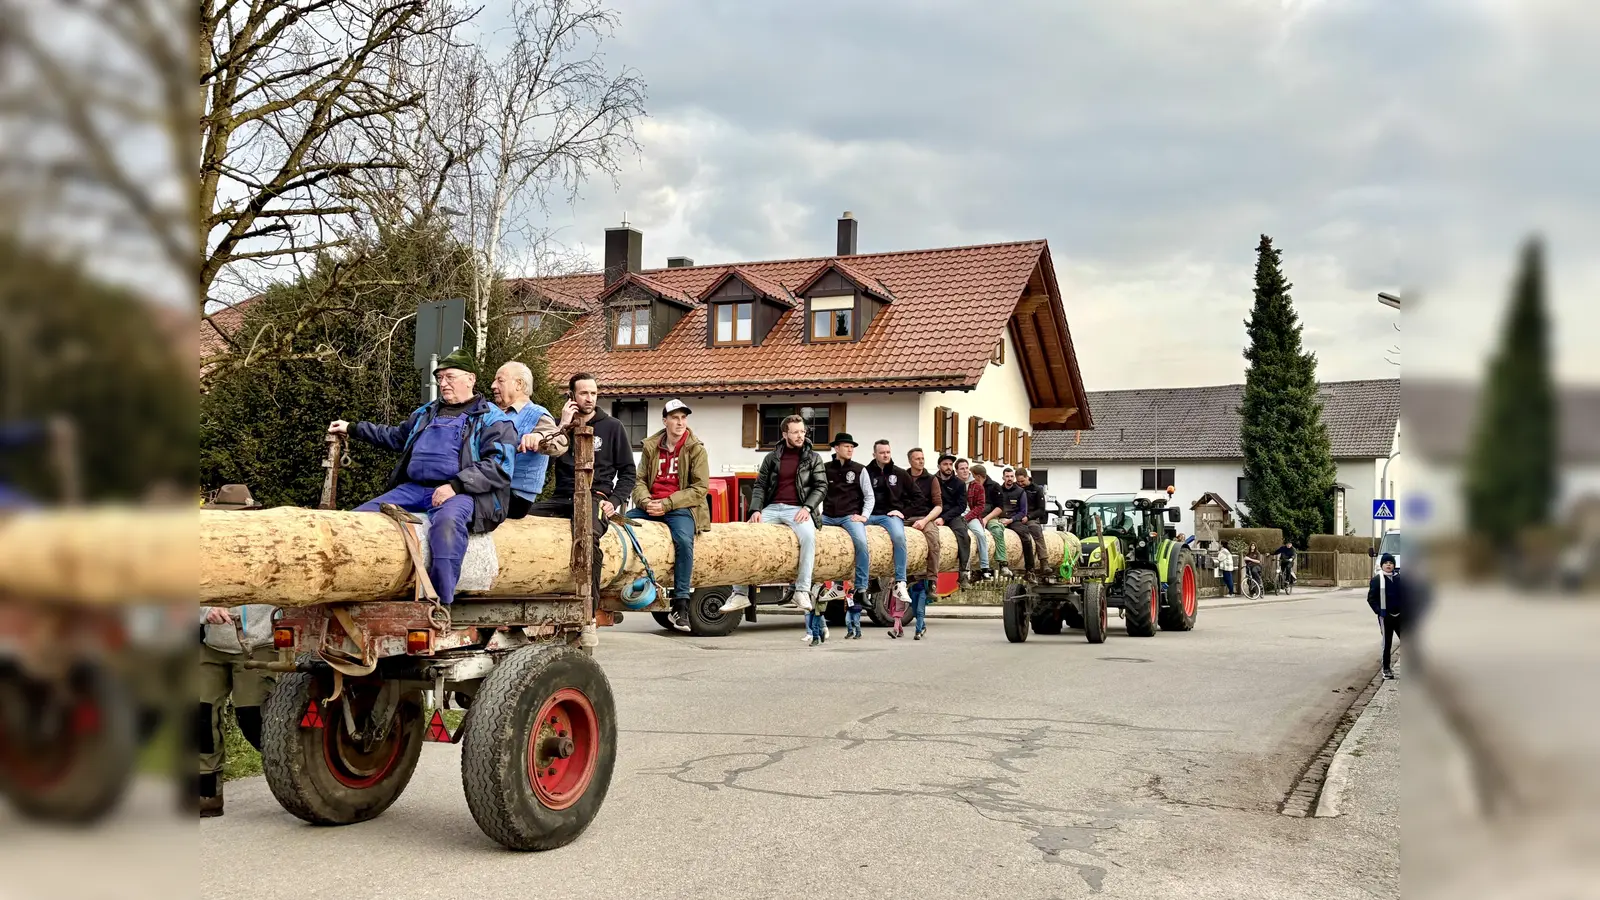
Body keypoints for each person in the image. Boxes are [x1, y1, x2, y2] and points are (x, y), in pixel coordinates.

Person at [330, 348, 517, 606]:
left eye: (450, 377)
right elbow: (395, 437)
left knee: (447, 528)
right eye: (440, 378)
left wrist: (455, 485)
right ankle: (348, 585)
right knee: (359, 518)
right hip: (413, 489)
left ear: (470, 379)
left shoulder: (493, 419)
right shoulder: (426, 413)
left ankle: (439, 604)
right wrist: (352, 428)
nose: (443, 383)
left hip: (462, 493)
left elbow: (500, 465)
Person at [197, 485, 276, 818]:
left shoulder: (270, 553)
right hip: (211, 645)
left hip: (256, 646)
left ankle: (296, 773)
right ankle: (206, 797)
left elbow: (282, 599)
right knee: (197, 716)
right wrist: (204, 612)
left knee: (254, 720)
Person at [720, 415, 826, 614]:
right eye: (795, 432)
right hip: (773, 507)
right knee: (745, 535)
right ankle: (740, 594)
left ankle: (802, 590)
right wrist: (756, 510)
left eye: (802, 431)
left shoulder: (813, 458)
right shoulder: (772, 457)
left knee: (809, 538)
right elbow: (760, 486)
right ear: (785, 434)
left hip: (799, 509)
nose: (800, 436)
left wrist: (808, 508)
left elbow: (821, 486)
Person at [628, 399, 709, 614]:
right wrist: (646, 502)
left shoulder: (696, 449)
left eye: (683, 418)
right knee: (624, 525)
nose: (680, 422)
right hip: (651, 505)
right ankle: (628, 584)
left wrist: (667, 504)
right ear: (665, 421)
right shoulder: (651, 447)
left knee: (683, 540)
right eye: (675, 418)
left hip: (680, 507)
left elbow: (700, 489)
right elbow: (639, 481)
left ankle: (681, 601)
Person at [489, 361, 561, 519]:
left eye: (500, 380)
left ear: (519, 384)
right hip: (490, 487)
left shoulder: (537, 414)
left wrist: (539, 438)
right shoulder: (492, 413)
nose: (493, 385)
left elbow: (560, 441)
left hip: (515, 497)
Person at [818, 432, 873, 641]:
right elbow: (818, 491)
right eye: (846, 446)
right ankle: (809, 586)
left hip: (850, 516)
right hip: (828, 516)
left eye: (852, 447)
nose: (850, 449)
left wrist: (864, 516)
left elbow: (869, 497)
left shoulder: (860, 470)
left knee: (861, 543)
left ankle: (861, 588)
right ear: (836, 448)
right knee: (812, 541)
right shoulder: (825, 468)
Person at [864, 439, 914, 619]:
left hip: (890, 516)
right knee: (856, 539)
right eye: (882, 452)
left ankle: (900, 581)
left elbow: (917, 497)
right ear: (874, 454)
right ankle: (865, 582)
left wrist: (903, 512)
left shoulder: (900, 474)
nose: (885, 455)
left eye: (888, 452)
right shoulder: (865, 472)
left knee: (899, 538)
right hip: (868, 515)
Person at [899, 448, 943, 639]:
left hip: (925, 517)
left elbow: (938, 505)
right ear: (910, 461)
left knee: (934, 541)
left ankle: (932, 581)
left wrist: (925, 521)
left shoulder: (931, 479)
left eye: (923, 458)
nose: (921, 461)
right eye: (917, 459)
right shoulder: (902, 476)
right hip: (905, 517)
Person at [934, 453, 973, 587]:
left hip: (952, 515)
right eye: (945, 464)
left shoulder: (959, 483)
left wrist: (944, 518)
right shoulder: (932, 480)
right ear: (939, 466)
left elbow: (961, 506)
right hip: (933, 513)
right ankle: (930, 578)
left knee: (964, 535)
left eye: (950, 464)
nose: (948, 467)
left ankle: (963, 573)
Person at [984, 467, 1031, 576]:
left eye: (1011, 476)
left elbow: (1023, 512)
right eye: (1007, 476)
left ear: (1013, 477)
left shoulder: (1020, 492)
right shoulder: (998, 490)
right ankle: (982, 570)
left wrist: (1010, 520)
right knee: (987, 535)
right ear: (1003, 477)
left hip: (1014, 519)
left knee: (1026, 537)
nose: (1009, 479)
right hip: (999, 519)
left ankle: (1030, 569)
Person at [1366, 553, 1406, 679]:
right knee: (1387, 643)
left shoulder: (1400, 579)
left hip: (1400, 616)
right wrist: (1379, 611)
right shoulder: (1377, 580)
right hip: (1385, 617)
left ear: (1394, 565)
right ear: (1382, 565)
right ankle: (1386, 668)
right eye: (1386, 563)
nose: (1388, 565)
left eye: (1391, 563)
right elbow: (1371, 599)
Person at [962, 462, 996, 579]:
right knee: (963, 537)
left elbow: (980, 506)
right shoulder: (954, 484)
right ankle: (964, 570)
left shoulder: (977, 486)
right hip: (955, 517)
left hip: (971, 516)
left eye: (967, 468)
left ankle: (985, 567)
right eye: (962, 469)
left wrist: (967, 517)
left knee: (981, 534)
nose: (965, 471)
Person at [1014, 468, 1049, 575]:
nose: (1020, 484)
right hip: (1016, 517)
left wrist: (1028, 517)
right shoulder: (1014, 488)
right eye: (1018, 482)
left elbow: (1041, 510)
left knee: (1036, 530)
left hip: (1031, 518)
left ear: (1027, 477)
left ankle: (1044, 562)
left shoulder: (1037, 490)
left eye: (1022, 481)